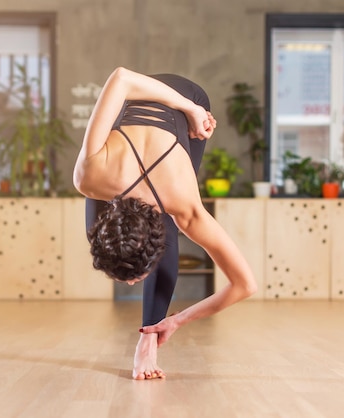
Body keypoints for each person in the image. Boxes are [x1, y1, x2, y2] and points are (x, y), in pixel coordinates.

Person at [73, 67, 257, 380]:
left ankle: (148, 339)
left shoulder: (185, 207)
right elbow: (122, 79)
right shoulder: (90, 175)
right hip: (149, 111)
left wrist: (192, 108)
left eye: (134, 278)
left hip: (189, 98)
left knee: (168, 215)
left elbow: (245, 286)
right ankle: (149, 326)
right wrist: (177, 320)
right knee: (99, 231)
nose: (132, 283)